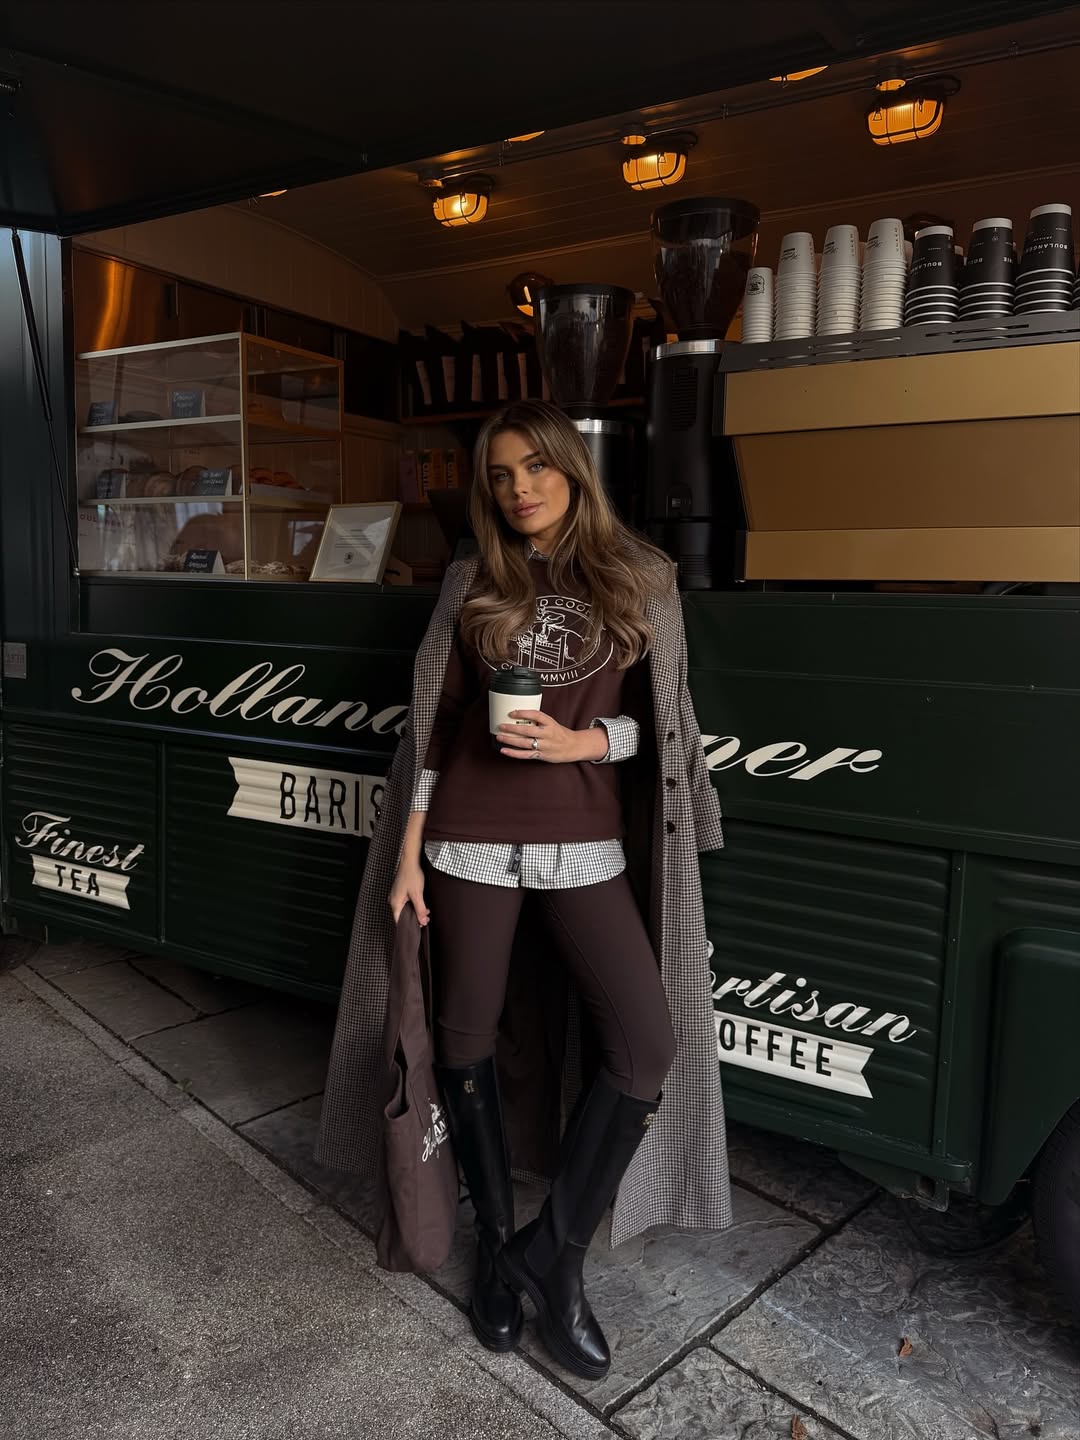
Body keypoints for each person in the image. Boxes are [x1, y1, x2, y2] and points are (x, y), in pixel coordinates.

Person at [317, 400, 730, 1382]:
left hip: (582, 842)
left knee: (646, 1043)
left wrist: (585, 741)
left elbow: (661, 731)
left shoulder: (640, 577)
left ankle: (557, 1253)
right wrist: (412, 848)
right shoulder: (472, 576)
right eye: (500, 476)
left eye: (534, 469)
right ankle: (501, 1254)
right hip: (463, 837)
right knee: (464, 1041)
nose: (519, 489)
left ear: (572, 471)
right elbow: (437, 721)